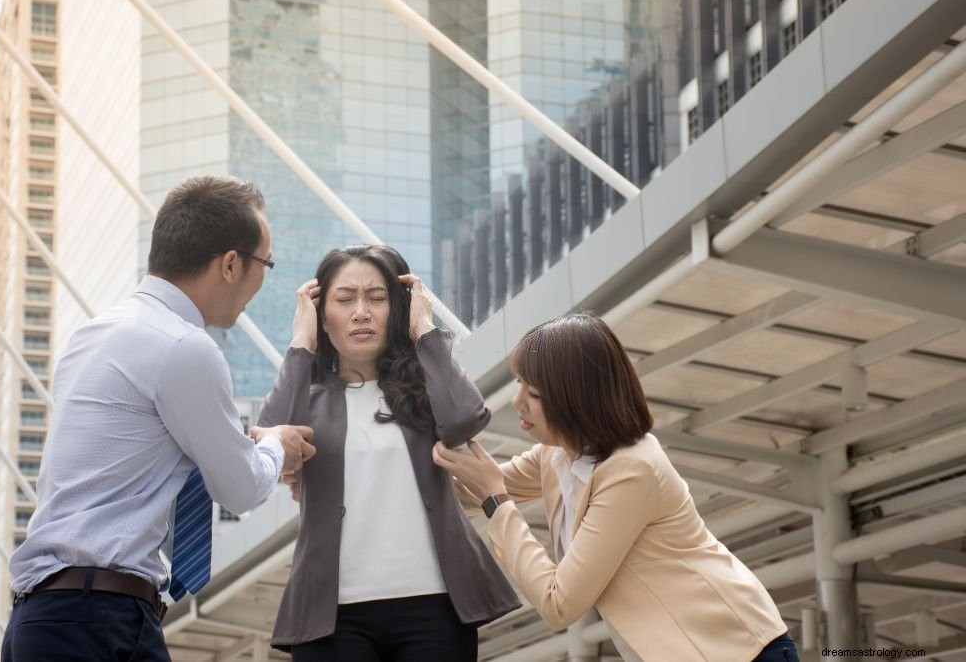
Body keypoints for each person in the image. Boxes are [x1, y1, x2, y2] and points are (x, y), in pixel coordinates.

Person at [2, 176, 312, 662]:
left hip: (48, 614)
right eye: (264, 264)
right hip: (98, 618)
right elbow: (241, 488)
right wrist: (276, 445)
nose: (262, 280)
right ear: (231, 264)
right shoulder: (185, 349)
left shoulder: (95, 333)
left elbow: (138, 444)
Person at [433, 312, 799, 662]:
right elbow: (471, 489)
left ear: (575, 397)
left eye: (535, 393)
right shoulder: (558, 453)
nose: (517, 402)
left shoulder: (631, 470)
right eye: (519, 384)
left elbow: (559, 604)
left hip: (739, 651)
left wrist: (497, 502)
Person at [257, 244, 520, 661]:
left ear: (396, 309)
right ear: (323, 314)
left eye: (377, 298)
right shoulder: (308, 399)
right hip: (332, 618)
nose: (361, 312)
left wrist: (425, 331)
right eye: (344, 300)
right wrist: (301, 341)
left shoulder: (425, 391)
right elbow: (270, 444)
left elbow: (465, 419)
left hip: (435, 608)